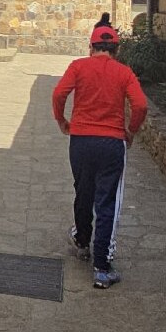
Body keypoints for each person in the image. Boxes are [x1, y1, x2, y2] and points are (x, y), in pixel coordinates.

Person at [52, 26, 148, 290]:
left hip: (81, 141)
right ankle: (102, 268)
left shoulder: (78, 66)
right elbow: (140, 105)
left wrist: (61, 120)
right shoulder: (124, 72)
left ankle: (82, 241)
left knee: (83, 192)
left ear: (91, 47)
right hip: (111, 143)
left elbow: (59, 93)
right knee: (107, 202)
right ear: (117, 50)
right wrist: (131, 131)